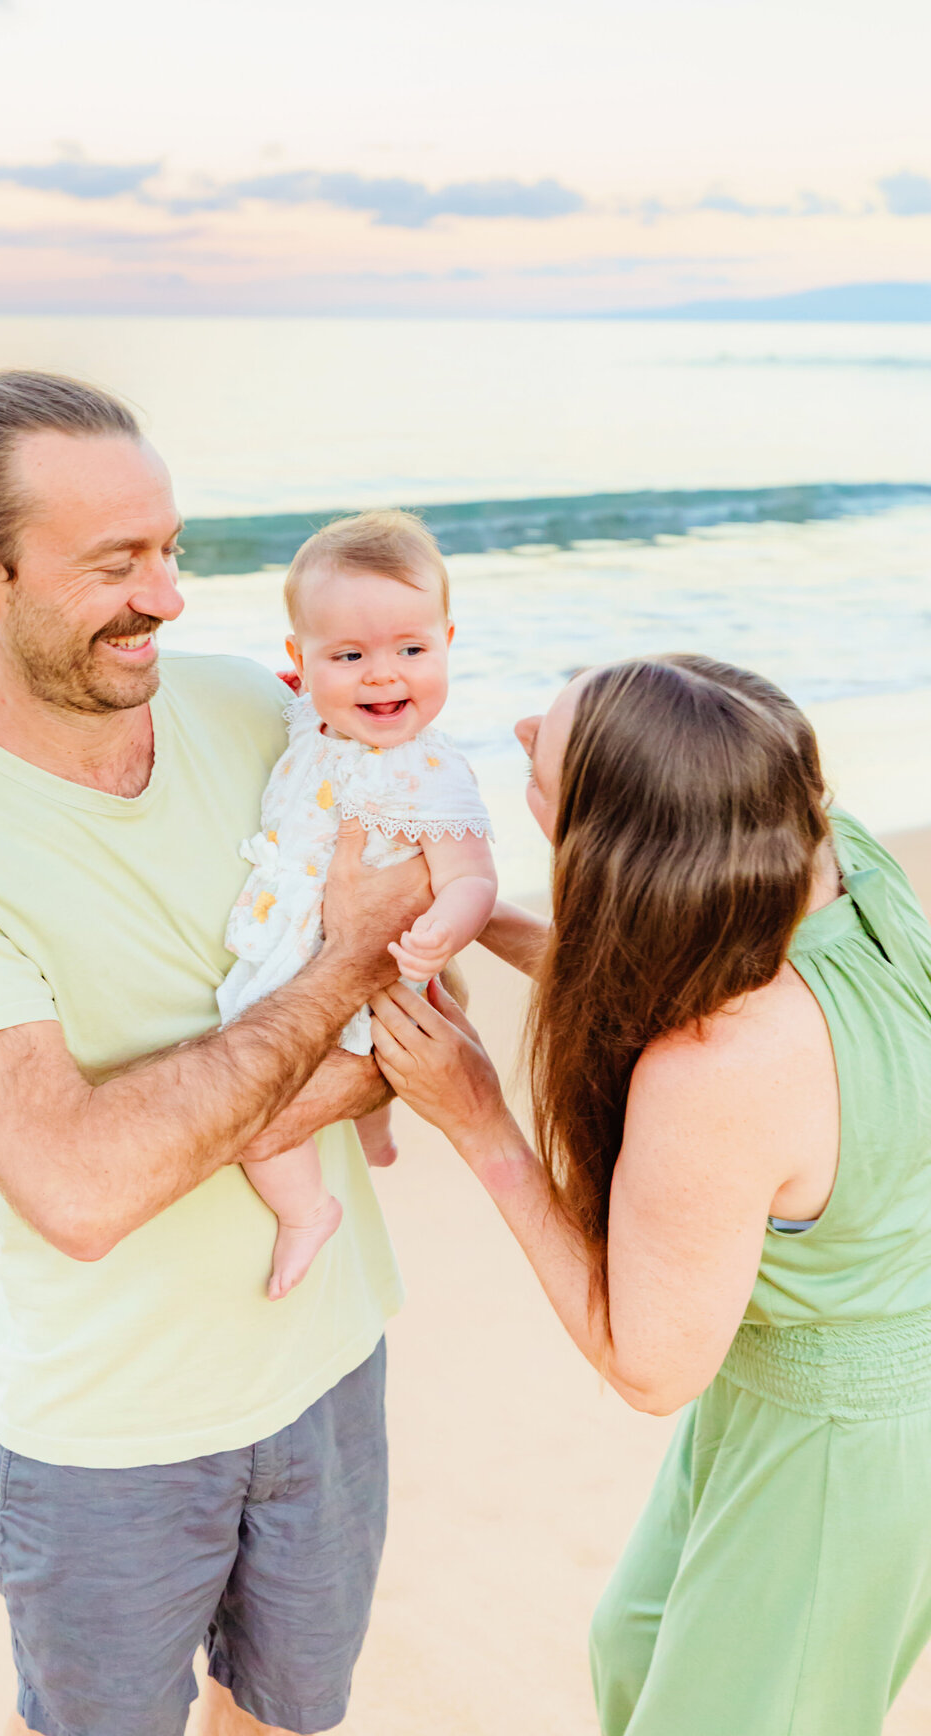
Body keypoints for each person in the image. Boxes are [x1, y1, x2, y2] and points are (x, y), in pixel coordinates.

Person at [0, 370, 432, 1736]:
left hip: (329, 1360)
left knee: (285, 1720)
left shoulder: (259, 709)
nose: (168, 595)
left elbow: (421, 1007)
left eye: (167, 549)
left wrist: (291, 1064)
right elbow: (83, 1189)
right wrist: (338, 985)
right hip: (108, 1435)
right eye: (117, 563)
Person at [369, 654, 931, 1736]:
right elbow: (674, 956)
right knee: (636, 1639)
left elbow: (647, 1366)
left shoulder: (721, 1068)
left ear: (616, 837)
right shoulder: (840, 860)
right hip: (794, 1381)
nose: (526, 725)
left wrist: (480, 1119)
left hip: (843, 1446)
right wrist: (481, 921)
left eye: (554, 745)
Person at [219, 509, 496, 1298]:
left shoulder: (427, 773)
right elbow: (291, 701)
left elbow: (472, 874)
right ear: (300, 663)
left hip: (373, 972)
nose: (382, 675)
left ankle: (308, 1211)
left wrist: (447, 926)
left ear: (448, 641)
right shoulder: (313, 717)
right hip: (294, 951)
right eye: (350, 655)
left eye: (412, 649)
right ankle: (373, 1130)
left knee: (258, 1118)